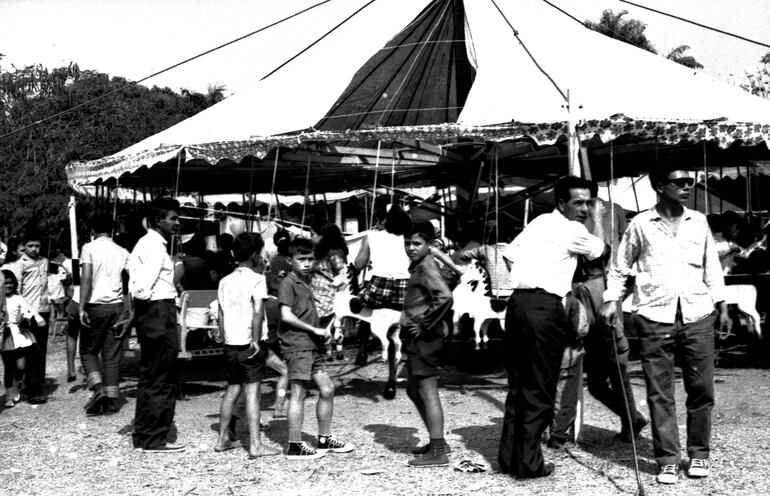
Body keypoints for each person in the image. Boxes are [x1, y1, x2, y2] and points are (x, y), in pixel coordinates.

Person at [601, 164, 731, 485]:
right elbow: (620, 267)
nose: (687, 186)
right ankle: (668, 459)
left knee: (701, 389)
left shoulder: (699, 221)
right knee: (660, 393)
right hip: (653, 317)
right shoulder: (641, 224)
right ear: (660, 186)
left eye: (690, 181)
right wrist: (610, 300)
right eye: (679, 182)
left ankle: (699, 454)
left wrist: (723, 306)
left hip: (698, 315)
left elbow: (712, 268)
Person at [498, 176, 606, 479]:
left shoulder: (539, 222)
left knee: (518, 387)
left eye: (590, 202)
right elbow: (600, 251)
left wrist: (532, 277)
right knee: (540, 390)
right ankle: (529, 465)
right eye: (578, 202)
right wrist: (548, 286)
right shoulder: (573, 228)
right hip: (543, 307)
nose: (585, 208)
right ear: (561, 203)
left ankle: (510, 458)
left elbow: (508, 256)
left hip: (518, 305)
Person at [279, 237, 353, 460]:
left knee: (328, 389)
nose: (307, 263)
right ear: (290, 260)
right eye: (302, 259)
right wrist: (314, 329)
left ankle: (324, 438)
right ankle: (294, 445)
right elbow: (285, 315)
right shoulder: (288, 283)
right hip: (297, 344)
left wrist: (325, 330)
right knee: (299, 393)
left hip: (312, 344)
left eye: (310, 259)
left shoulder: (306, 281)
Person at [214, 233, 280, 458]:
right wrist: (255, 340)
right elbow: (257, 311)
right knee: (253, 392)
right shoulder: (257, 279)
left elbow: (220, 314)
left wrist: (224, 337)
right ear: (254, 256)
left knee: (232, 390)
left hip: (231, 343)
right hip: (250, 343)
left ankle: (222, 437)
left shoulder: (225, 281)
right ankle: (255, 444)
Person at [128, 197, 185, 453]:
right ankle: (154, 437)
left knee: (150, 375)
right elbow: (141, 286)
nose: (176, 222)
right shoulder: (153, 245)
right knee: (162, 375)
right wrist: (151, 309)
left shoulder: (149, 243)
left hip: (154, 311)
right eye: (172, 218)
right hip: (157, 310)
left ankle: (144, 434)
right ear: (158, 219)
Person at [400, 221, 454, 467]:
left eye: (416, 243)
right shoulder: (419, 265)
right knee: (413, 389)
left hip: (425, 336)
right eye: (407, 243)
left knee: (426, 389)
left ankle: (439, 449)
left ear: (429, 245)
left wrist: (425, 324)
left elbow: (444, 296)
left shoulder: (426, 266)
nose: (410, 247)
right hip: (415, 335)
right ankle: (436, 441)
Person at [78, 213, 131, 416]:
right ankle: (110, 401)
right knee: (111, 356)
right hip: (117, 306)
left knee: (88, 351)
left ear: (92, 230)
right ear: (113, 230)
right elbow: (132, 278)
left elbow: (87, 279)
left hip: (95, 305)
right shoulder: (122, 251)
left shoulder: (88, 248)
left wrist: (81, 306)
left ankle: (98, 388)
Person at [5, 232, 50, 404]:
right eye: (30, 246)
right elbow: (15, 289)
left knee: (40, 350)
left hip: (43, 310)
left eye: (37, 246)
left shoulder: (44, 262)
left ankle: (36, 382)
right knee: (30, 351)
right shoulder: (20, 264)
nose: (34, 249)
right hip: (28, 313)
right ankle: (32, 389)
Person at [2, 270, 43, 407]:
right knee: (8, 366)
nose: (8, 286)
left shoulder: (18, 298)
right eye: (5, 283)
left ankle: (16, 383)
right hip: (4, 335)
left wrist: (25, 319)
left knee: (20, 366)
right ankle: (8, 396)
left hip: (18, 333)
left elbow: (26, 311)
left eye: (11, 283)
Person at [310, 223, 348, 360]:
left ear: (323, 237)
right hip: (316, 296)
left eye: (312, 235)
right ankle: (328, 352)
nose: (310, 238)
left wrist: (340, 298)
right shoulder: (320, 253)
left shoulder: (333, 254)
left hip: (327, 298)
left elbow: (344, 275)